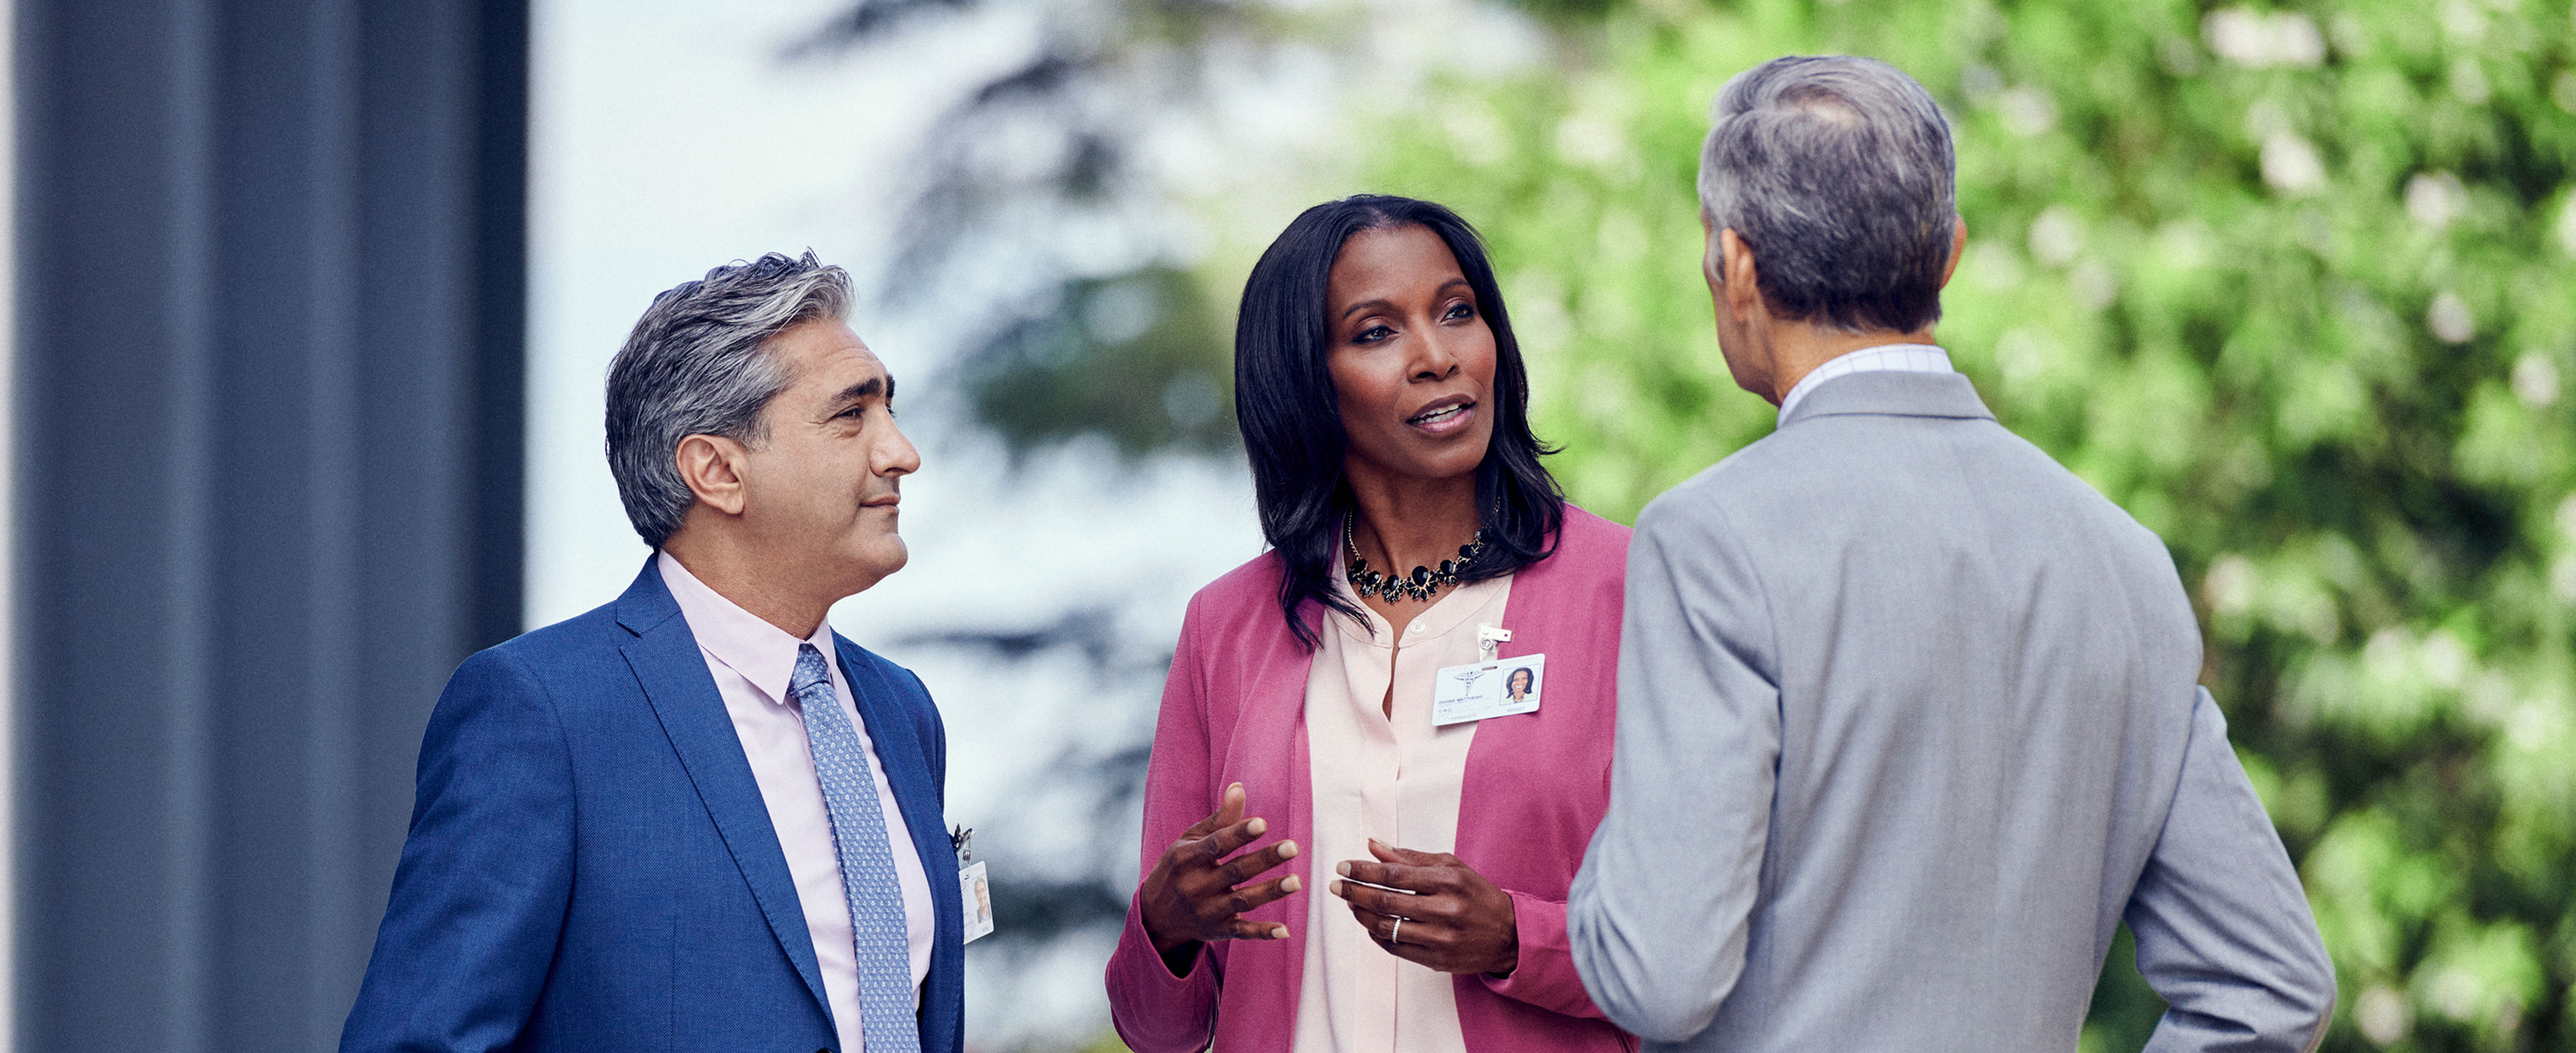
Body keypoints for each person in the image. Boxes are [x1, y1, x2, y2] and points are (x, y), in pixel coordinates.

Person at [1565, 56, 2336, 1052]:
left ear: (1737, 265)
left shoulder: (1710, 538)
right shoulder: (2126, 559)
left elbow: (1658, 979)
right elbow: (2272, 986)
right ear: (1950, 256)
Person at [341, 252, 965, 1053]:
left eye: (889, 410)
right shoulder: (543, 710)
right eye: (852, 416)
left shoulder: (903, 710)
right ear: (718, 470)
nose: (900, 452)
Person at [1105, 195, 1634, 1053]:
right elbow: (1158, 1027)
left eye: (1458, 312)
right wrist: (1165, 925)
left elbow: (1705, 944)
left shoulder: (1627, 588)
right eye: (1376, 331)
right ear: (1306, 379)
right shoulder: (1224, 627)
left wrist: (1515, 935)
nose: (1437, 356)